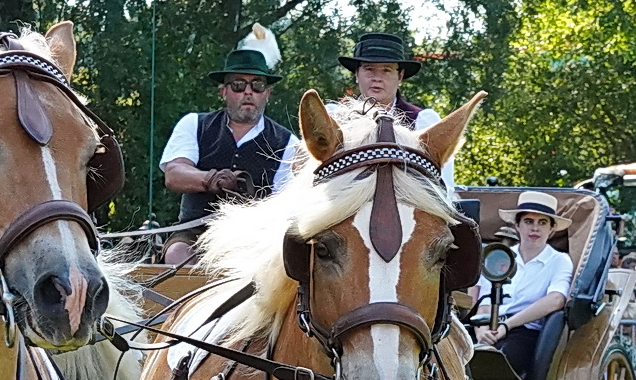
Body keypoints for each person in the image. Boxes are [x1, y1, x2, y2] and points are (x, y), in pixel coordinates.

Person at [160, 46, 300, 250]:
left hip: (255, 241)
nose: (248, 92)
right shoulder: (193, 124)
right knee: (176, 253)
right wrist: (211, 180)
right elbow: (174, 174)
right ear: (223, 92)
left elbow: (285, 202)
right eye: (238, 85)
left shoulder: (288, 143)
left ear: (267, 94)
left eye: (257, 85)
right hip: (194, 234)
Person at [333, 32, 454, 189]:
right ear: (357, 74)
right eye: (369, 69)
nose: (377, 77)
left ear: (400, 76)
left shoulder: (422, 122)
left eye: (386, 70)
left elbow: (444, 187)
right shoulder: (335, 118)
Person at [477, 192, 575, 380]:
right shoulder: (499, 256)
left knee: (498, 364)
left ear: (552, 228)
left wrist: (507, 325)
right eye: (529, 221)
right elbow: (485, 301)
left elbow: (556, 299)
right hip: (488, 327)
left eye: (542, 223)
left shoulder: (559, 261)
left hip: (525, 332)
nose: (535, 228)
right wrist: (481, 330)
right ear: (517, 225)